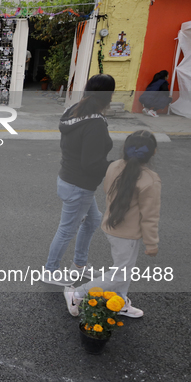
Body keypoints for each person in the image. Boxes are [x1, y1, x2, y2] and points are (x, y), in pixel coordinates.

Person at [64, 130, 161, 318]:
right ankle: (76, 293)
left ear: (124, 149)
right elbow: (150, 215)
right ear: (154, 152)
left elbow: (107, 190)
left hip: (111, 226)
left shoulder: (114, 166)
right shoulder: (150, 179)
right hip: (128, 234)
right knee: (120, 274)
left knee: (124, 268)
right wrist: (151, 243)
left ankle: (120, 300)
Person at [42, 74, 116, 286]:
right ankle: (50, 271)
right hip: (79, 186)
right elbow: (91, 163)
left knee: (92, 220)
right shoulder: (95, 123)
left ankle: (79, 265)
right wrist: (117, 166)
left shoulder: (73, 111)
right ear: (109, 96)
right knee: (66, 230)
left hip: (69, 180)